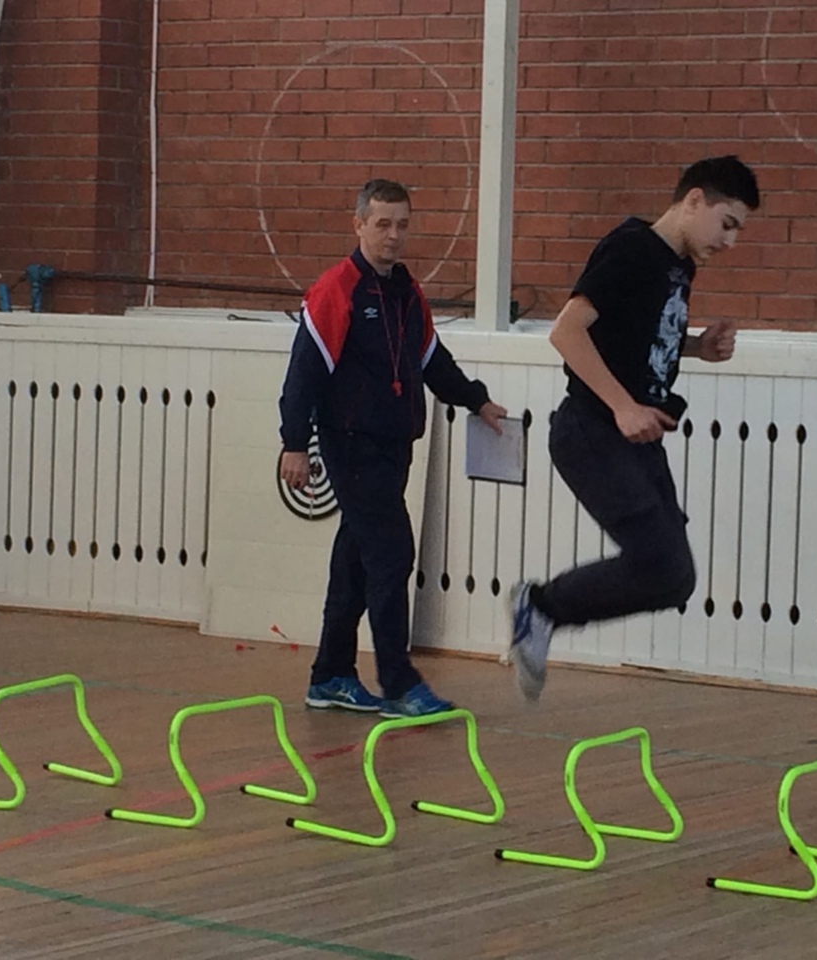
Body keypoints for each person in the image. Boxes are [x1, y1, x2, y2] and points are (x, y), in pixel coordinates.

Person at [507, 155, 760, 700]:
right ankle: (539, 606)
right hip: (592, 431)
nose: (730, 242)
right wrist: (623, 406)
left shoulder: (678, 265)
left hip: (635, 438)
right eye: (727, 224)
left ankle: (545, 610)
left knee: (676, 578)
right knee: (659, 561)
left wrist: (696, 347)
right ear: (694, 200)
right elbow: (567, 332)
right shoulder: (630, 249)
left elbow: (634, 335)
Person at [279, 178, 506, 718]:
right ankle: (399, 683)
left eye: (402, 224)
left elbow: (432, 360)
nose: (393, 235)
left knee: (355, 563)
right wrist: (294, 444)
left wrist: (476, 400)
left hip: (394, 445)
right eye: (382, 224)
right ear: (359, 224)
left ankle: (330, 675)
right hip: (351, 445)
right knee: (391, 552)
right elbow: (303, 375)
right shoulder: (337, 290)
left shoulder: (406, 293)